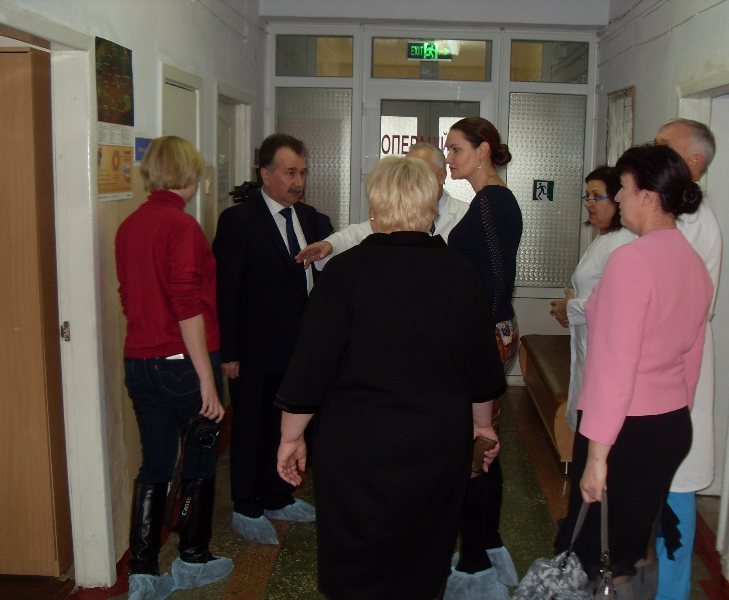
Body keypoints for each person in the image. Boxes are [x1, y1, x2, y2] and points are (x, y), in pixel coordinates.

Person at [275, 155, 507, 600]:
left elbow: (311, 365)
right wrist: (482, 428)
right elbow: (481, 368)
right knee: (424, 548)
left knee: (355, 553)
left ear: (376, 206)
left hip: (357, 445)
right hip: (436, 443)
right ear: (430, 205)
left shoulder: (344, 272)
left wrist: (291, 437)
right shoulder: (459, 273)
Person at [554, 144, 713, 600]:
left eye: (623, 188)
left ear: (648, 194)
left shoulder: (631, 261)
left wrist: (597, 457)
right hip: (669, 424)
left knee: (598, 551)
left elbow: (614, 367)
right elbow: (692, 358)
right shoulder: (690, 260)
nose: (618, 198)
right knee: (637, 543)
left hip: (622, 429)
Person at [115, 136, 233, 599]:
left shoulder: (129, 226)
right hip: (183, 363)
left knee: (157, 461)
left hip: (139, 361)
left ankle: (143, 574)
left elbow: (130, 297)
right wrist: (207, 380)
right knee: (200, 458)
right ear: (188, 176)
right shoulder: (182, 227)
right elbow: (188, 307)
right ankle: (193, 559)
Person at [213, 133, 320, 545]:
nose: (298, 182)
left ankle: (277, 495)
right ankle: (247, 504)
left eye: (302, 173)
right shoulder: (239, 221)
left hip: (297, 351)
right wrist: (229, 352)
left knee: (286, 426)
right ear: (266, 173)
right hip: (254, 351)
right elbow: (226, 291)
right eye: (290, 173)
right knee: (250, 429)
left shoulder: (308, 218)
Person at [443, 116, 523, 600]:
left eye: (456, 149)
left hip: (486, 335)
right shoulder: (490, 199)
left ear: (483, 149)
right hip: (490, 332)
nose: (449, 158)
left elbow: (496, 276)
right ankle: (488, 543)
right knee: (485, 440)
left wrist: (481, 341)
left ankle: (474, 561)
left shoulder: (492, 200)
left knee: (476, 445)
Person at [653, 118, 721, 600]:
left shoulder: (694, 222)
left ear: (693, 162)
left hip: (678, 367)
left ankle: (672, 593)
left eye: (664, 147)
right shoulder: (675, 214)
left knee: (676, 490)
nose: (654, 153)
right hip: (665, 370)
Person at [549, 167, 636, 430]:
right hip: (588, 342)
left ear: (617, 199)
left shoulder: (623, 244)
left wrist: (570, 307)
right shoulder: (604, 239)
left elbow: (616, 306)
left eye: (597, 196)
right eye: (587, 196)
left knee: (597, 425)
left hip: (606, 352)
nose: (589, 203)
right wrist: (569, 310)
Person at [295, 141, 469, 269]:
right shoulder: (393, 211)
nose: (409, 181)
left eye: (420, 174)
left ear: (441, 176)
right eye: (405, 173)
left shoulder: (465, 215)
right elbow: (359, 233)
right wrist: (331, 244)